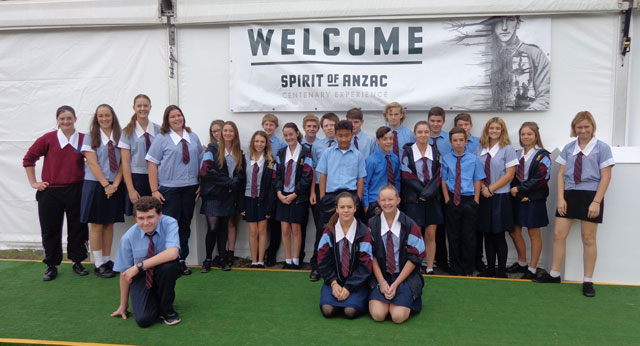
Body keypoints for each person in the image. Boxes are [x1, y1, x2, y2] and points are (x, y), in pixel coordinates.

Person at [535, 111, 614, 298]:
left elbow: (606, 176)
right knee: (558, 235)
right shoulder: (569, 148)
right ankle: (554, 274)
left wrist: (596, 201)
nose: (583, 130)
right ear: (574, 128)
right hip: (569, 194)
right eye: (579, 127)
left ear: (593, 127)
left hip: (590, 195)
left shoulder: (602, 148)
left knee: (588, 238)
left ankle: (588, 280)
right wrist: (561, 198)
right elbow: (561, 174)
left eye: (587, 127)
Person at [23, 105, 89, 281]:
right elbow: (28, 159)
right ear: (57, 121)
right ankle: (51, 265)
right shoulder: (48, 139)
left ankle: (77, 261)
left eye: (69, 118)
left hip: (77, 190)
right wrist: (34, 182)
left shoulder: (84, 139)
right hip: (51, 192)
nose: (66, 122)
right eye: (62, 119)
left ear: (75, 118)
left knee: (78, 227)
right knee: (50, 229)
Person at [146, 105, 204, 276]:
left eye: (179, 115)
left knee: (185, 224)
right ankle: (168, 260)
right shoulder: (161, 139)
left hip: (190, 188)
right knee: (170, 225)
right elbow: (152, 163)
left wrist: (200, 183)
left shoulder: (193, 137)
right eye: (173, 117)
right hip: (169, 189)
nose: (177, 119)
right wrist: (154, 190)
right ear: (167, 120)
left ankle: (181, 259)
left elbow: (202, 161)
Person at [110, 196, 181, 327]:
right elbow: (124, 272)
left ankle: (167, 310)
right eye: (141, 218)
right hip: (141, 277)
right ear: (135, 218)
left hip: (160, 270)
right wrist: (123, 305)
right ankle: (154, 298)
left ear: (159, 215)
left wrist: (139, 266)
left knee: (169, 267)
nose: (145, 222)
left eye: (150, 217)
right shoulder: (128, 238)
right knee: (144, 320)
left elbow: (173, 253)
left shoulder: (170, 223)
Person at [368, 185, 425, 323]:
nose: (387, 203)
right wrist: (382, 282)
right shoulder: (372, 224)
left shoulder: (410, 224)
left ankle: (405, 297)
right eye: (383, 200)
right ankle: (384, 299)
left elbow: (415, 257)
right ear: (379, 202)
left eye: (390, 199)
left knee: (398, 317)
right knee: (378, 315)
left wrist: (395, 284)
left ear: (398, 200)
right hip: (381, 275)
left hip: (404, 277)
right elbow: (371, 255)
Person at [80, 104, 125, 278]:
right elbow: (92, 163)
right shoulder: (90, 137)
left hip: (114, 185)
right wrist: (106, 185)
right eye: (101, 116)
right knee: (97, 224)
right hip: (96, 185)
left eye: (107, 115)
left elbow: (123, 163)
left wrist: (115, 184)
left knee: (109, 223)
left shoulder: (121, 136)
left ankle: (107, 260)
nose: (104, 119)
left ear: (112, 116)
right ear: (96, 118)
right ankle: (98, 263)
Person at [317, 192, 373, 319]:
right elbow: (323, 261)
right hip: (335, 279)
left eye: (349, 207)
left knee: (350, 311)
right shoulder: (328, 231)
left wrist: (348, 287)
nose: (346, 210)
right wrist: (333, 283)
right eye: (342, 207)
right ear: (337, 209)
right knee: (327, 310)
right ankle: (336, 294)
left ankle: (357, 298)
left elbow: (366, 265)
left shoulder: (364, 232)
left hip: (357, 282)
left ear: (355, 208)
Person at [475, 117, 518, 278]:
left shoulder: (508, 149)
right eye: (491, 128)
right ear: (487, 130)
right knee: (487, 233)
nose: (494, 131)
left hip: (500, 197)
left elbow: (510, 174)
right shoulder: (480, 149)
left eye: (497, 128)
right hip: (484, 195)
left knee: (498, 234)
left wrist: (490, 188)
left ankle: (501, 271)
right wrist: (483, 189)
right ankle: (490, 268)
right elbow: (475, 170)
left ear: (502, 131)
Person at [199, 121, 245, 272]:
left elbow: (240, 173)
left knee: (224, 228)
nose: (227, 133)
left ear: (235, 133)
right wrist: (228, 182)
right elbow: (206, 171)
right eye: (225, 131)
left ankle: (223, 259)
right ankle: (207, 260)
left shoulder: (239, 151)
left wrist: (234, 182)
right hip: (213, 195)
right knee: (213, 228)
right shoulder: (211, 148)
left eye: (230, 131)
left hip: (228, 195)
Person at [508, 122, 551, 279]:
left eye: (529, 134)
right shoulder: (516, 153)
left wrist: (522, 190)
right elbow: (511, 175)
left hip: (534, 198)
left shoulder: (543, 155)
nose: (526, 137)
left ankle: (532, 269)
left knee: (533, 232)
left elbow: (541, 178)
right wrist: (518, 194)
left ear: (536, 136)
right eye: (523, 134)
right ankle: (522, 263)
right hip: (517, 198)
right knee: (514, 231)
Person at [441, 127, 486, 276]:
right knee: (453, 235)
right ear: (450, 142)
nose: (458, 143)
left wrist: (476, 201)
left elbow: (477, 179)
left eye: (461, 140)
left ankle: (468, 268)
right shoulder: (446, 159)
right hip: (453, 198)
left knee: (469, 236)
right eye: (455, 140)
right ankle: (456, 268)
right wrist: (447, 199)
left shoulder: (474, 159)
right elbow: (443, 180)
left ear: (466, 141)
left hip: (469, 199)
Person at [400, 121, 443, 274]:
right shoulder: (407, 152)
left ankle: (430, 267)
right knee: (414, 234)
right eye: (420, 132)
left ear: (430, 135)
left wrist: (428, 193)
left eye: (426, 132)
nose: (423, 135)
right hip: (414, 199)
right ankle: (415, 267)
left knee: (431, 234)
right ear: (414, 134)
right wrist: (422, 192)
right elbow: (406, 175)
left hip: (432, 199)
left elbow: (439, 175)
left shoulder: (436, 152)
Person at [488, 16, 550, 111]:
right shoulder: (485, 57)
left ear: (518, 23)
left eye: (510, 20)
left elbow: (546, 96)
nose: (504, 27)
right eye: (498, 21)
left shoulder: (534, 53)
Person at [274, 123, 313, 269]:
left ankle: (296, 260)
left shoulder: (306, 152)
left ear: (297, 133)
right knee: (285, 229)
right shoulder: (281, 153)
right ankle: (288, 258)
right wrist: (279, 192)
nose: (288, 137)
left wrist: (295, 193)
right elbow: (276, 174)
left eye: (291, 134)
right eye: (285, 135)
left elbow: (307, 175)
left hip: (298, 197)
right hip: (282, 197)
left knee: (296, 229)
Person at [317, 120, 367, 227]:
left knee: (350, 228)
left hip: (351, 195)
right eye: (340, 136)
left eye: (347, 135)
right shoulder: (327, 153)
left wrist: (358, 198)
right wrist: (322, 197)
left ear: (352, 135)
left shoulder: (358, 155)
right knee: (327, 228)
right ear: (335, 135)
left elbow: (360, 179)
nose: (344, 139)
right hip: (331, 197)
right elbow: (323, 175)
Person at [309, 112, 340, 280]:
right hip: (322, 194)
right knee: (322, 230)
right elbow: (315, 170)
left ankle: (337, 266)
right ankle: (317, 267)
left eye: (332, 125)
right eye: (326, 125)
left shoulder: (344, 144)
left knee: (339, 231)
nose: (329, 128)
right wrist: (314, 192)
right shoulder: (318, 146)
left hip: (339, 194)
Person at [119, 94, 162, 217]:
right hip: (137, 179)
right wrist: (131, 189)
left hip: (157, 177)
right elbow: (125, 163)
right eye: (139, 106)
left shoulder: (159, 130)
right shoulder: (127, 132)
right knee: (140, 216)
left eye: (145, 105)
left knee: (157, 214)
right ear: (134, 108)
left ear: (150, 107)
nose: (142, 108)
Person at [239, 131, 277, 268]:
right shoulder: (245, 158)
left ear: (266, 143)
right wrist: (241, 205)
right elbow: (241, 182)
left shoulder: (270, 160)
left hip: (263, 199)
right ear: (252, 143)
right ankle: (253, 260)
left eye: (262, 141)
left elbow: (272, 185)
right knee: (252, 231)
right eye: (257, 141)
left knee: (262, 231)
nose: (259, 144)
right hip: (249, 198)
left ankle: (261, 260)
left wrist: (269, 205)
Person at [428, 106, 452, 273]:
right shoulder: (422, 138)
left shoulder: (449, 140)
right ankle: (424, 260)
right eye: (432, 121)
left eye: (438, 121)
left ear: (443, 122)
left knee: (442, 226)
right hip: (426, 187)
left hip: (444, 186)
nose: (435, 124)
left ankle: (443, 261)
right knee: (427, 227)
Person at [263, 113, 287, 267]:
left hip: (275, 187)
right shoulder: (258, 141)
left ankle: (271, 254)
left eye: (271, 124)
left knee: (275, 223)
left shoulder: (280, 144)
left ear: (276, 127)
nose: (268, 127)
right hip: (261, 189)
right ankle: (259, 254)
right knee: (261, 223)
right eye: (266, 124)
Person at [363, 126, 401, 221]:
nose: (388, 142)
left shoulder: (395, 159)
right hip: (375, 201)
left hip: (392, 202)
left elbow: (397, 180)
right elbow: (365, 183)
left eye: (390, 138)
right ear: (378, 140)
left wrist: (396, 198)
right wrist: (366, 205)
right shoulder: (371, 161)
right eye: (384, 139)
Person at [299, 113, 319, 265]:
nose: (311, 129)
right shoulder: (298, 145)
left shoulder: (321, 145)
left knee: (319, 225)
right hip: (299, 190)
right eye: (309, 126)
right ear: (304, 127)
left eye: (314, 126)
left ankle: (317, 259)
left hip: (316, 188)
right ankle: (298, 256)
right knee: (300, 223)